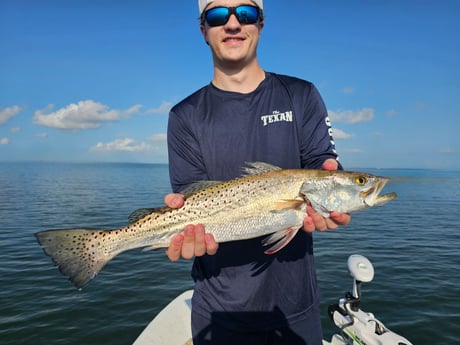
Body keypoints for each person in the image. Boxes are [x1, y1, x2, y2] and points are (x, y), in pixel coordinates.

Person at [163, 1, 350, 344]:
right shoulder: (184, 115)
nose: (233, 23)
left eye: (245, 13)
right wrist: (181, 228)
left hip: (298, 308)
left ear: (261, 24)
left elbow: (325, 165)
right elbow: (190, 193)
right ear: (203, 29)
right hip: (218, 312)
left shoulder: (301, 95)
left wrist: (335, 191)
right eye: (218, 15)